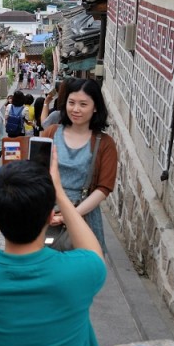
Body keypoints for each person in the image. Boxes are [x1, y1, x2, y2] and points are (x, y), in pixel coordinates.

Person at [0, 159, 164, 346]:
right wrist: (60, 195)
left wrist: (1, 208)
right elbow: (93, 250)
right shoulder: (76, 272)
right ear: (49, 217)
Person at [41, 78, 118, 254]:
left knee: (81, 271)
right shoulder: (51, 132)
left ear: (95, 107)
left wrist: (69, 216)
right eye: (71, 102)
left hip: (84, 214)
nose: (76, 109)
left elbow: (103, 189)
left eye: (83, 104)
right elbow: (36, 173)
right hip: (46, 212)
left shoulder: (105, 143)